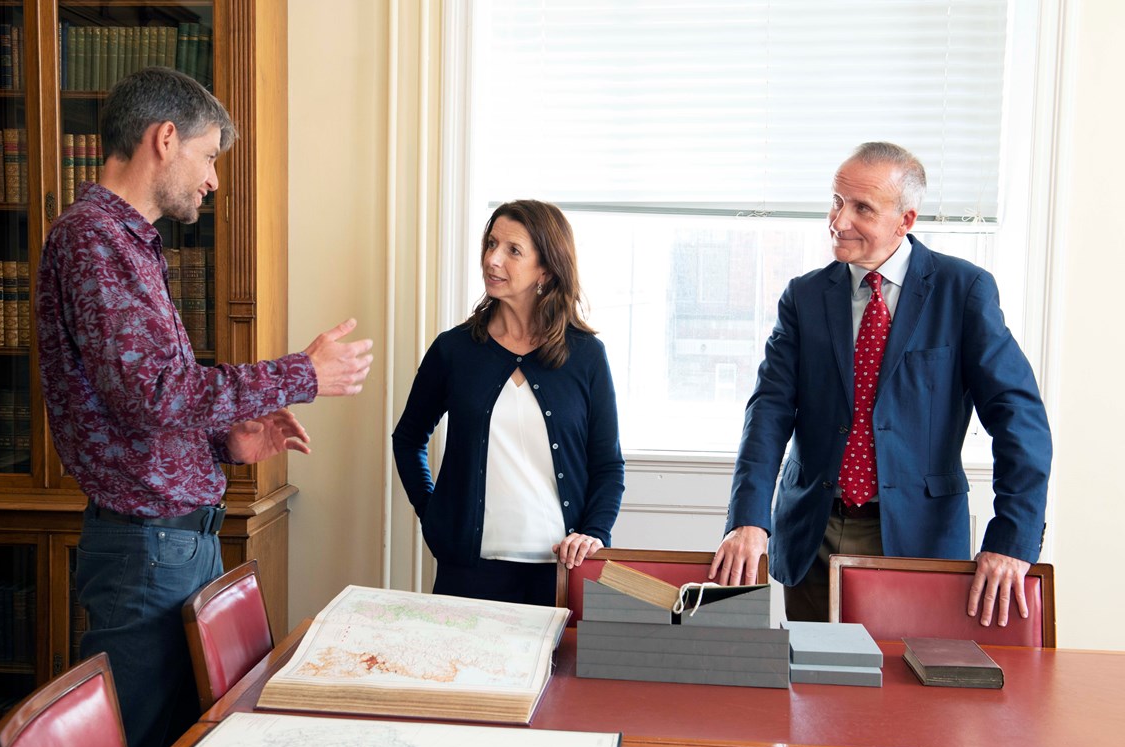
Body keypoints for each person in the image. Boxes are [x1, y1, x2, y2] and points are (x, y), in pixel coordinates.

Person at [35, 67, 374, 747]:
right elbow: (151, 394)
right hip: (145, 553)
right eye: (209, 154)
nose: (213, 179)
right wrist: (300, 374)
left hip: (171, 546)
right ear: (165, 140)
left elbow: (150, 401)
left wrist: (225, 441)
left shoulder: (129, 245)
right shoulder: (92, 240)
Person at [710, 142, 1051, 627]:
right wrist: (749, 518)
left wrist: (1011, 539)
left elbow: (1020, 420)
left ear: (905, 219)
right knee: (812, 691)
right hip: (814, 530)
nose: (838, 219)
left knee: (908, 697)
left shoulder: (964, 291)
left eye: (862, 208)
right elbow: (768, 413)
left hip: (918, 536)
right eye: (836, 200)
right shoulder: (804, 296)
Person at [392, 200, 625, 606]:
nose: (491, 259)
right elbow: (408, 439)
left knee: (557, 671)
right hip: (467, 570)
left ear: (546, 270)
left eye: (512, 250)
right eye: (490, 243)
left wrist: (595, 533)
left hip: (558, 571)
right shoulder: (454, 351)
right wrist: (435, 515)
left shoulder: (586, 355)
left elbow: (607, 464)